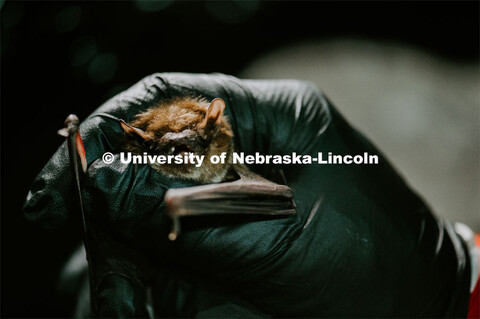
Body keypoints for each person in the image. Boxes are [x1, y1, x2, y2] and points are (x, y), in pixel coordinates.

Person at [24, 73, 477, 317]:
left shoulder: (223, 145)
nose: (177, 156)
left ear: (208, 127)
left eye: (186, 146)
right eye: (166, 151)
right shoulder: (142, 152)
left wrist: (456, 289)